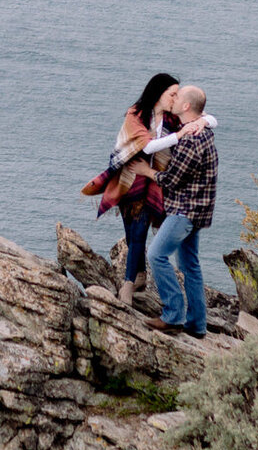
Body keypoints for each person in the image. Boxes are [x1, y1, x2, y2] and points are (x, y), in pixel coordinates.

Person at [80, 71, 177, 301]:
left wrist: (200, 121)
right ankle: (141, 275)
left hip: (152, 183)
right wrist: (179, 136)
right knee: (132, 233)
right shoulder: (136, 114)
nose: (176, 99)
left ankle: (127, 285)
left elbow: (209, 119)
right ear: (158, 94)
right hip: (127, 182)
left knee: (139, 231)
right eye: (172, 94)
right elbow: (146, 145)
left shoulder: (173, 120)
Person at [145, 85, 216, 337]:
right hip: (199, 212)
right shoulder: (204, 131)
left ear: (186, 107)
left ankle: (173, 315)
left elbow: (170, 180)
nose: (173, 100)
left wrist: (148, 172)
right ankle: (197, 324)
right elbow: (209, 119)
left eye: (178, 97)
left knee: (156, 255)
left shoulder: (190, 141)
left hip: (184, 211)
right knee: (190, 265)